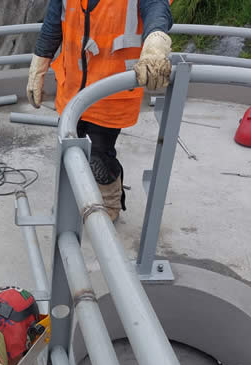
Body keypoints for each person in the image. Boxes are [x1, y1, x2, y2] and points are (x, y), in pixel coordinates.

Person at [27, 0, 174, 221]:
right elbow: (53, 23)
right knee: (70, 149)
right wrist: (39, 63)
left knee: (98, 154)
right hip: (72, 88)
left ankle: (109, 200)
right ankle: (77, 199)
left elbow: (156, 8)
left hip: (110, 92)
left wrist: (155, 41)